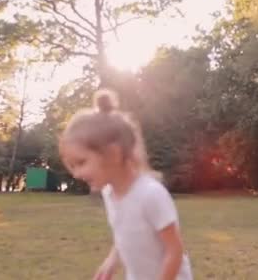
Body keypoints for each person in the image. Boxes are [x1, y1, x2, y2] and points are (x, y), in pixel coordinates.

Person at [59, 89, 193, 280]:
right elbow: (126, 234)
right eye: (72, 166)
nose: (76, 174)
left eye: (81, 163)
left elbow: (175, 252)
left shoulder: (150, 195)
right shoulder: (109, 193)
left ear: (113, 154)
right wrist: (112, 260)